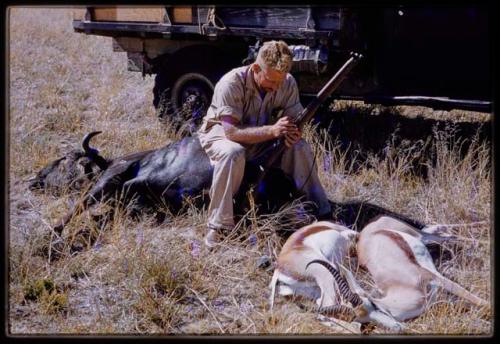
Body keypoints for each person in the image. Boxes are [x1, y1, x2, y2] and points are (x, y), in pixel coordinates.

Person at [197, 40, 331, 248]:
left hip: (262, 132)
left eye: (280, 82)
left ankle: (322, 212)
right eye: (271, 81)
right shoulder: (231, 82)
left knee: (300, 148)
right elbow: (231, 132)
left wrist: (294, 133)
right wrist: (272, 131)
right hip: (221, 133)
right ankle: (219, 228)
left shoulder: (287, 82)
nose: (276, 87)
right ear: (256, 68)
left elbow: (294, 119)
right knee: (232, 153)